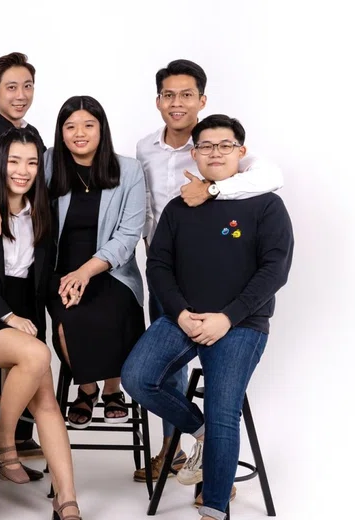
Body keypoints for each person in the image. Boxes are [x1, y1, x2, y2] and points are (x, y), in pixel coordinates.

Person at [121, 114, 294, 520]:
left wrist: (227, 317)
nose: (216, 152)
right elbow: (158, 265)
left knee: (223, 409)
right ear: (193, 153)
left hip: (240, 325)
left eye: (225, 145)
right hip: (183, 318)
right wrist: (180, 313)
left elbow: (274, 270)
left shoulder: (266, 205)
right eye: (207, 146)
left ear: (241, 151)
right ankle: (201, 435)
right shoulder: (180, 208)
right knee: (137, 377)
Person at [133, 59, 284, 489]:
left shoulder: (220, 147)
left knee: (222, 400)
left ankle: (214, 481)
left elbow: (271, 178)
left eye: (186, 95)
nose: (176, 103)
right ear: (158, 101)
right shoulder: (145, 148)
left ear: (201, 100)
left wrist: (213, 188)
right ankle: (181, 447)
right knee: (160, 373)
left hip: (226, 293)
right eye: (169, 95)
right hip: (168, 275)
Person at [0, 95, 146, 427]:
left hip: (112, 271)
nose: (79, 133)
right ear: (60, 132)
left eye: (88, 125)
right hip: (58, 272)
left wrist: (86, 272)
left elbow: (128, 235)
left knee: (114, 309)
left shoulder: (129, 170)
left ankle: (113, 388)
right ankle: (87, 388)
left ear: (102, 128)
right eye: (70, 126)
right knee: (69, 321)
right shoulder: (49, 161)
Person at [0, 128, 86, 520]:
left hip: (23, 312)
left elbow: (43, 279)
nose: (22, 171)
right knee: (36, 355)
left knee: (46, 399)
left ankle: (67, 500)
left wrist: (66, 308)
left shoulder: (44, 212)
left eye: (31, 162)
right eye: (13, 161)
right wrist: (7, 316)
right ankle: (4, 437)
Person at [0, 51, 46, 480]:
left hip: (22, 263)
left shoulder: (28, 133)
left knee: (26, 353)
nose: (21, 95)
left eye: (27, 86)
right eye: (11, 87)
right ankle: (0, 443)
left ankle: (14, 437)